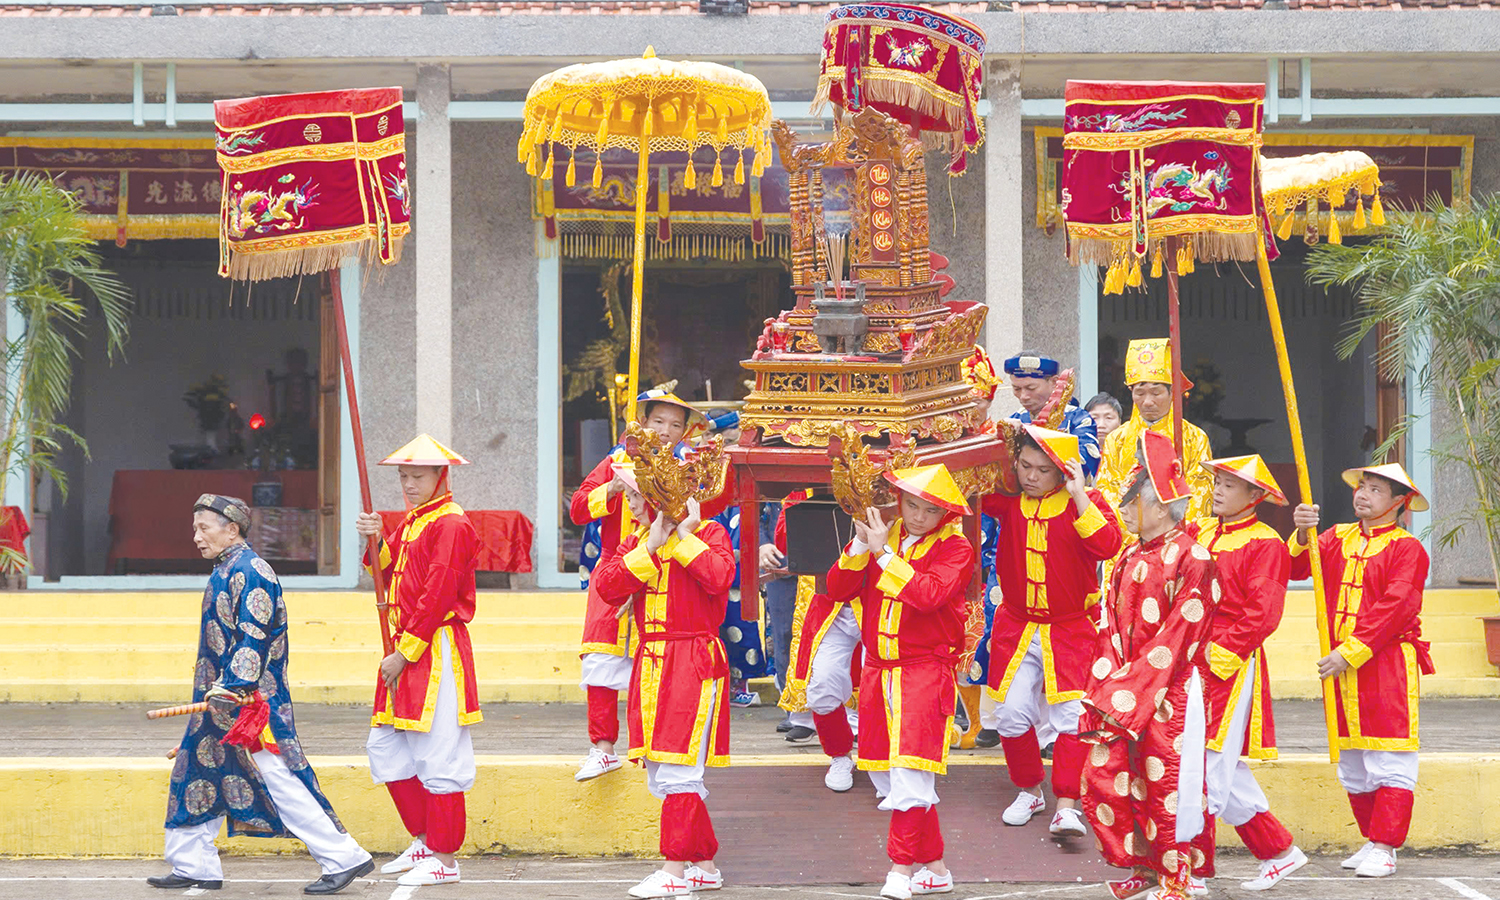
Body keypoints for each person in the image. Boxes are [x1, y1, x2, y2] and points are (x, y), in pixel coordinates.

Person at [152, 494, 371, 894]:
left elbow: (253, 637)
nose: (196, 536)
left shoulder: (252, 571)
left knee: (278, 778)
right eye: (195, 528)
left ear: (231, 528)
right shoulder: (227, 568)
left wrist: (234, 687)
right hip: (219, 699)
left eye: (204, 528)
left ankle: (345, 857)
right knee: (196, 770)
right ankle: (193, 864)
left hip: (249, 702)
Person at [825, 464, 975, 900]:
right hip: (878, 672)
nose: (918, 517)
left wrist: (884, 556)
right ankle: (937, 870)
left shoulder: (956, 548)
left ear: (946, 513)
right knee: (894, 780)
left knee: (911, 775)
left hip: (924, 672)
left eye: (931, 510)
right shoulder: (881, 537)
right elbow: (837, 588)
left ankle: (899, 872)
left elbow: (928, 595)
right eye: (912, 504)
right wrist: (858, 544)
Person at [1081, 431, 1216, 900]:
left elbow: (1178, 639)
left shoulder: (1194, 557)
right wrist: (1111, 680)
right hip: (1128, 688)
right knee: (1121, 776)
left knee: (1170, 782)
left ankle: (1179, 875)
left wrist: (1130, 689)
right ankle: (1141, 865)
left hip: (1172, 691)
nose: (1123, 507)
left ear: (1159, 505)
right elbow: (1110, 627)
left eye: (1132, 499)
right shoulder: (1128, 556)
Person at [591, 463, 736, 899]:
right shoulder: (635, 541)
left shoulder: (708, 532)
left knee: (678, 768)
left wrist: (680, 537)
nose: (631, 505)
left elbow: (719, 577)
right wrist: (653, 543)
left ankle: (674, 870)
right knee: (661, 768)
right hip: (651, 662)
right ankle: (704, 865)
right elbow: (608, 588)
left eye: (636, 497)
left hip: (692, 658)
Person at [1290, 463, 1431, 880]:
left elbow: (1397, 606)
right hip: (1340, 667)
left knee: (1390, 756)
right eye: (1361, 487)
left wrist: (1348, 653)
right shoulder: (1335, 536)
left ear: (1399, 503)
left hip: (1385, 665)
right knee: (1352, 759)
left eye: (1375, 490)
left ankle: (1386, 847)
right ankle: (1372, 839)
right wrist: (1302, 533)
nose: (1363, 495)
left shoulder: (1408, 549)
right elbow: (1297, 569)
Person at [982, 425, 1123, 836]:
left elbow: (1108, 545)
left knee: (1071, 717)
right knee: (1008, 713)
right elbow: (968, 485)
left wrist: (1080, 493)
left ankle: (1066, 804)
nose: (1031, 476)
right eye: (1024, 465)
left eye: (1043, 470)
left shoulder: (1086, 502)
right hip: (1016, 626)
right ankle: (1029, 790)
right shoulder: (1009, 502)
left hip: (1071, 629)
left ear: (1063, 471)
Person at [357, 434, 481, 887]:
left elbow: (438, 593)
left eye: (417, 476)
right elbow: (393, 572)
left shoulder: (450, 523)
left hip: (432, 646)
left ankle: (445, 857)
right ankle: (425, 839)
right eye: (404, 477)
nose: (408, 484)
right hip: (404, 645)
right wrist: (377, 541)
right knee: (386, 748)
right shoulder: (415, 520)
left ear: (439, 476)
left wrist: (404, 653)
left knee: (438, 753)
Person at [570, 388, 702, 781]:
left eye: (675, 425)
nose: (665, 431)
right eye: (658, 421)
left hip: (664, 569)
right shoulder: (616, 460)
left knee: (660, 665)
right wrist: (611, 487)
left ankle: (655, 745)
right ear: (642, 422)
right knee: (600, 658)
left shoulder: (688, 470)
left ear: (684, 432)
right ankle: (602, 747)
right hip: (614, 565)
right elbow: (578, 509)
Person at [1195, 455, 1308, 891]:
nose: (1218, 490)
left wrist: (1218, 655)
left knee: (1205, 768)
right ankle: (1280, 852)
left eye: (1229, 485)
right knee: (1221, 770)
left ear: (1256, 496)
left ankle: (1192, 870)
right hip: (1192, 657)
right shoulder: (1200, 531)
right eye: (1217, 482)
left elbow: (1263, 616)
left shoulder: (1267, 544)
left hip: (1229, 661)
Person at [775, 493, 863, 781]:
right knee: (822, 686)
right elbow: (784, 541)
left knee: (889, 688)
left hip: (883, 599)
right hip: (831, 599)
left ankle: (888, 762)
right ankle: (840, 756)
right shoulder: (808, 483)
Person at [1096, 338, 1212, 522]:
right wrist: (1132, 534)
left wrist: (1167, 533)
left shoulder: (1194, 438)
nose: (1147, 401)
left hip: (1176, 539)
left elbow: (1199, 496)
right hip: (1126, 541)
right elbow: (1107, 494)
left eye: (1156, 393)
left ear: (1172, 392)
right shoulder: (1116, 439)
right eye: (1140, 393)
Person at [1003, 351, 1101, 479]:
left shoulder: (1079, 420)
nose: (1023, 396)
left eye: (1031, 388)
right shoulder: (1016, 419)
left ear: (1054, 382)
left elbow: (1083, 466)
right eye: (1017, 389)